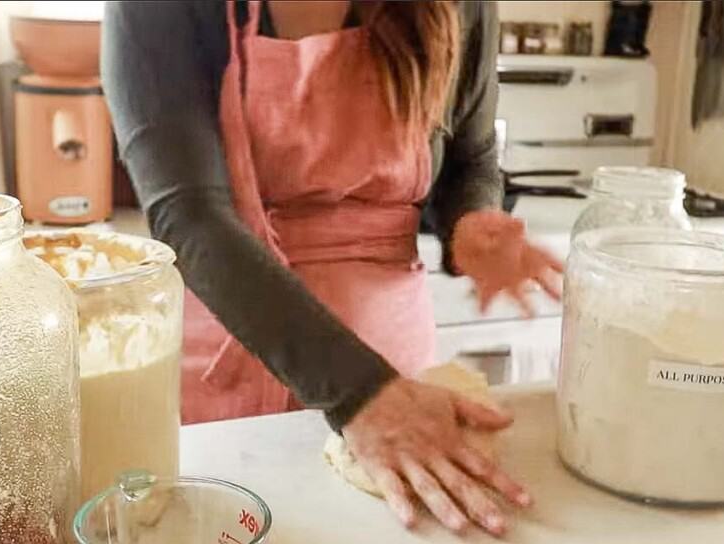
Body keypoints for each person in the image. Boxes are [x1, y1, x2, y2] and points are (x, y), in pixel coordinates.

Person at [102, 0, 561, 536]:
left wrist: (470, 221)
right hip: (240, 343)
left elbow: (471, 157)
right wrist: (360, 395)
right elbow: (190, 217)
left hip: (394, 368)